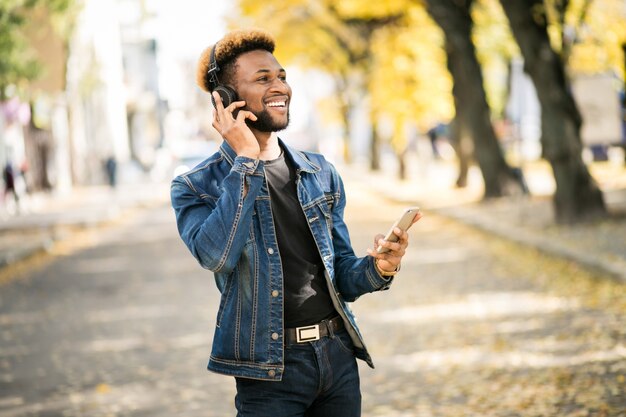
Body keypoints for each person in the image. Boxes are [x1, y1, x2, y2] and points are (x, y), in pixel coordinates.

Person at [170, 29, 421, 417]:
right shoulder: (195, 185)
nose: (280, 87)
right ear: (225, 100)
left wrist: (379, 267)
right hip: (269, 373)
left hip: (337, 357)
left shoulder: (319, 171)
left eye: (282, 76)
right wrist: (246, 162)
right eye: (263, 79)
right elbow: (216, 255)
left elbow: (341, 275)